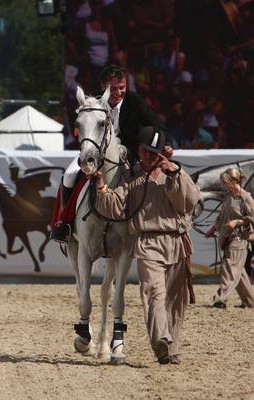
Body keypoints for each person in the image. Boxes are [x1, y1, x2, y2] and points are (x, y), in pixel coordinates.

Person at [92, 125, 200, 364]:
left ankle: (171, 350)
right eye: (146, 150)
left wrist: (173, 172)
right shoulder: (130, 177)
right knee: (153, 293)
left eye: (155, 151)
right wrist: (100, 186)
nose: (150, 155)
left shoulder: (173, 173)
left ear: (163, 151)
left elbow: (190, 201)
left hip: (178, 241)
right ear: (138, 150)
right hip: (147, 242)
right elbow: (116, 207)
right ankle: (161, 340)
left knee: (175, 301)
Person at [50, 64, 171, 243]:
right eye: (113, 88)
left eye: (122, 87)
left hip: (129, 153)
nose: (118, 92)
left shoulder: (134, 101)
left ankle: (148, 223)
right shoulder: (94, 104)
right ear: (103, 87)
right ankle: (64, 223)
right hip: (95, 153)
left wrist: (165, 144)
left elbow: (156, 125)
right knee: (68, 175)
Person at [205, 168, 254, 308]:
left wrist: (238, 222)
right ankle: (250, 302)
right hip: (227, 237)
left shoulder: (245, 198)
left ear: (233, 181)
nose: (223, 185)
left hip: (239, 239)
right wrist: (213, 228)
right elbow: (222, 216)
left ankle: (220, 299)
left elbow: (252, 218)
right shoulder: (229, 196)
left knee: (229, 268)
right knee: (239, 272)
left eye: (225, 182)